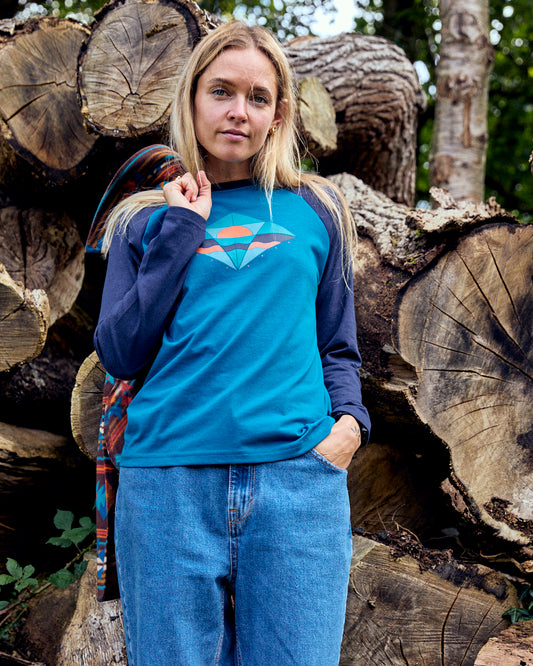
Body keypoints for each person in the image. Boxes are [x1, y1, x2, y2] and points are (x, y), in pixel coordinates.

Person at [94, 19, 370, 666]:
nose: (237, 112)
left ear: (278, 115)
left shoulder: (317, 209)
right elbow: (120, 350)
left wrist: (348, 426)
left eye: (257, 97)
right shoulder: (141, 220)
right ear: (192, 100)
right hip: (167, 487)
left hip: (298, 485)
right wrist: (181, 229)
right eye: (221, 92)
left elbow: (337, 342)